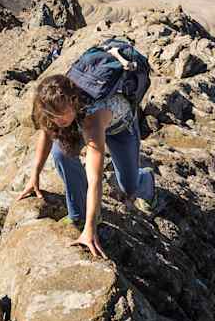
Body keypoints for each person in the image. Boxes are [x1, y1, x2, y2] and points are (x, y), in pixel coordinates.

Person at [19, 73, 162, 257]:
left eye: (60, 115)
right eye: (53, 116)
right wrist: (34, 175)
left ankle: (146, 181)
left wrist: (91, 229)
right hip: (79, 119)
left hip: (119, 127)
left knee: (129, 186)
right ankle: (78, 215)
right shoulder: (56, 109)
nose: (57, 121)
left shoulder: (92, 121)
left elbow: (95, 179)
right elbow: (48, 131)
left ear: (73, 100)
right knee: (60, 153)